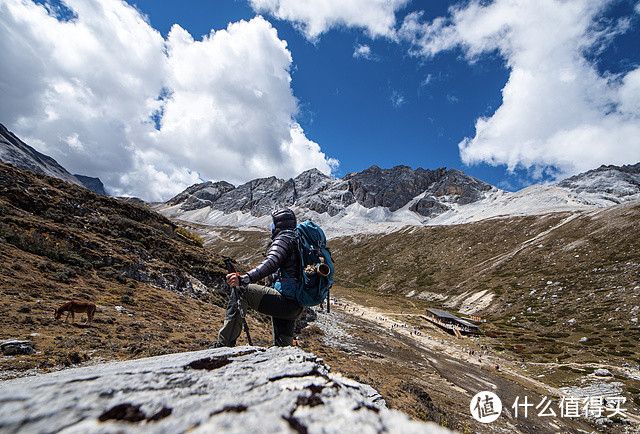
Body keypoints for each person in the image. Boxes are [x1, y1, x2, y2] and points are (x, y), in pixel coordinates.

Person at [212, 208, 303, 347]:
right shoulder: (298, 241)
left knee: (241, 292)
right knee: (283, 348)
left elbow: (271, 262)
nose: (271, 226)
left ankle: (223, 345)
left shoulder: (283, 240)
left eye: (273, 222)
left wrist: (245, 279)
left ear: (278, 224)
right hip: (296, 304)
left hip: (284, 300)